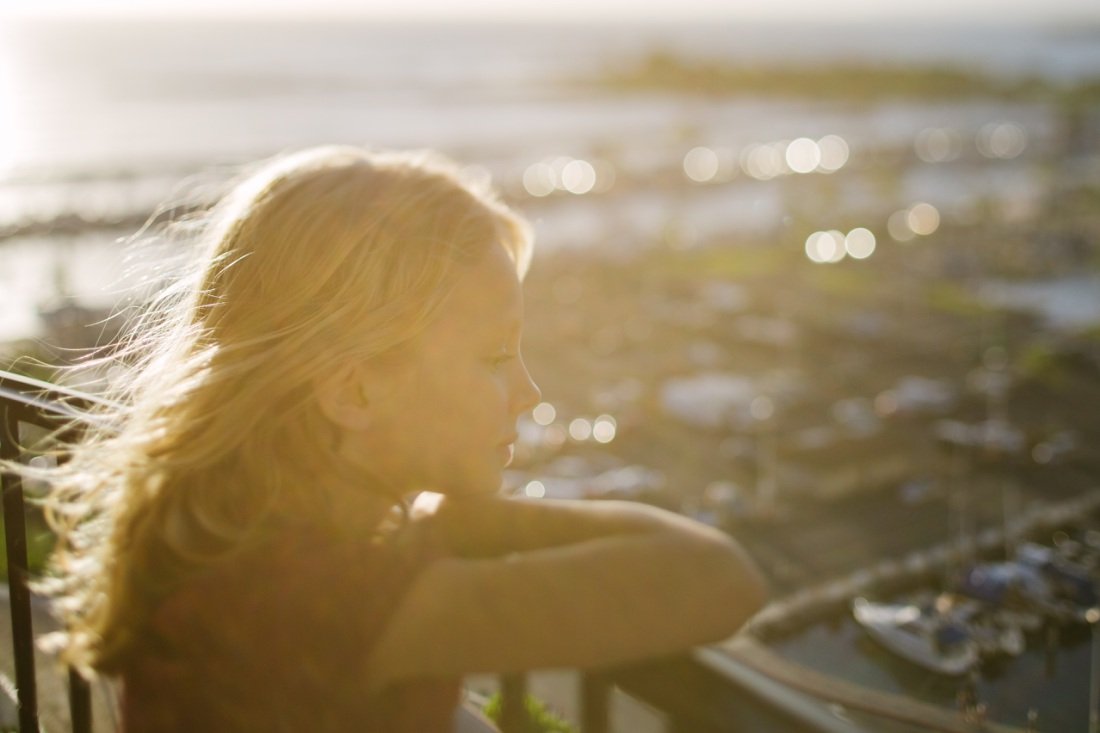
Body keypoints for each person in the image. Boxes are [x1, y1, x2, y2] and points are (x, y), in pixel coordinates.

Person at [31, 146, 767, 732]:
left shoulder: (233, 528)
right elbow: (717, 578)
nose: (530, 392)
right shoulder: (321, 594)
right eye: (492, 358)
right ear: (352, 389)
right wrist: (467, 519)